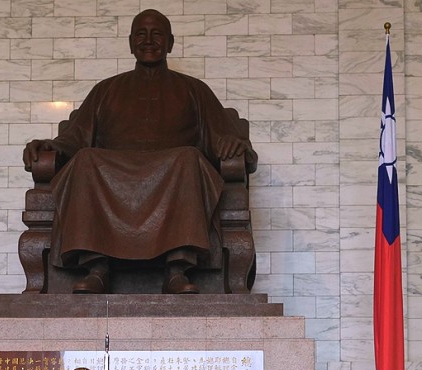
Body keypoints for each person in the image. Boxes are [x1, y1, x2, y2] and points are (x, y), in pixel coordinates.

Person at [23, 8, 257, 295]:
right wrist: (51, 146)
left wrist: (235, 145)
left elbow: (223, 138)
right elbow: (76, 138)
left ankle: (176, 268)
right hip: (112, 173)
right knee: (85, 160)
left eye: (157, 34)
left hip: (174, 171)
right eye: (141, 34)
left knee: (188, 158)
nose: (148, 40)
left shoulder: (195, 90)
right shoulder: (106, 90)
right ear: (130, 43)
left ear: (170, 43)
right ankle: (97, 268)